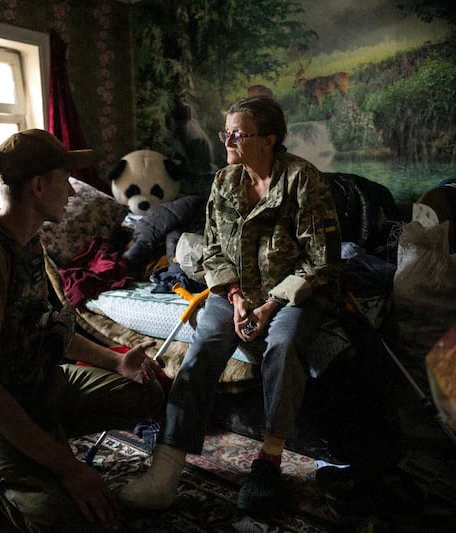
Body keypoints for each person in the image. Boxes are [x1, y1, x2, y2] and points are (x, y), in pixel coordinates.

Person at [0, 129, 165, 532]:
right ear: (38, 185)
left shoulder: (26, 241)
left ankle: (36, 444)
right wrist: (70, 469)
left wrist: (117, 360)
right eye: (65, 181)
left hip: (32, 383)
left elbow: (47, 327)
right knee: (67, 520)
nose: (72, 194)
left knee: (144, 390)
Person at [118, 97, 342, 518]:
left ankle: (270, 459)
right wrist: (237, 299)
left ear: (270, 139)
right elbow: (215, 249)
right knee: (204, 344)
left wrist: (270, 307)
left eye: (237, 133)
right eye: (227, 133)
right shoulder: (224, 181)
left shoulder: (303, 181)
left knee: (285, 342)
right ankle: (166, 468)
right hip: (236, 292)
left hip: (293, 293)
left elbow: (319, 261)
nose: (228, 140)